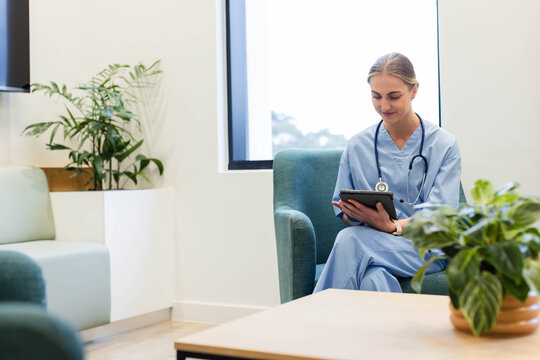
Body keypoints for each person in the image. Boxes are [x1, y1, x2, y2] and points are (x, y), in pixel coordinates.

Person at [313, 53, 461, 293]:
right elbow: (344, 214)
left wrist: (393, 226)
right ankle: (391, 331)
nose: (384, 106)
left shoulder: (444, 145)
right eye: (376, 96)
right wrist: (360, 215)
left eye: (394, 96)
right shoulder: (357, 145)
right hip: (373, 242)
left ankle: (313, 325)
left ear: (413, 90)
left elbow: (441, 217)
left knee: (349, 241)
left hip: (425, 247)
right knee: (374, 278)